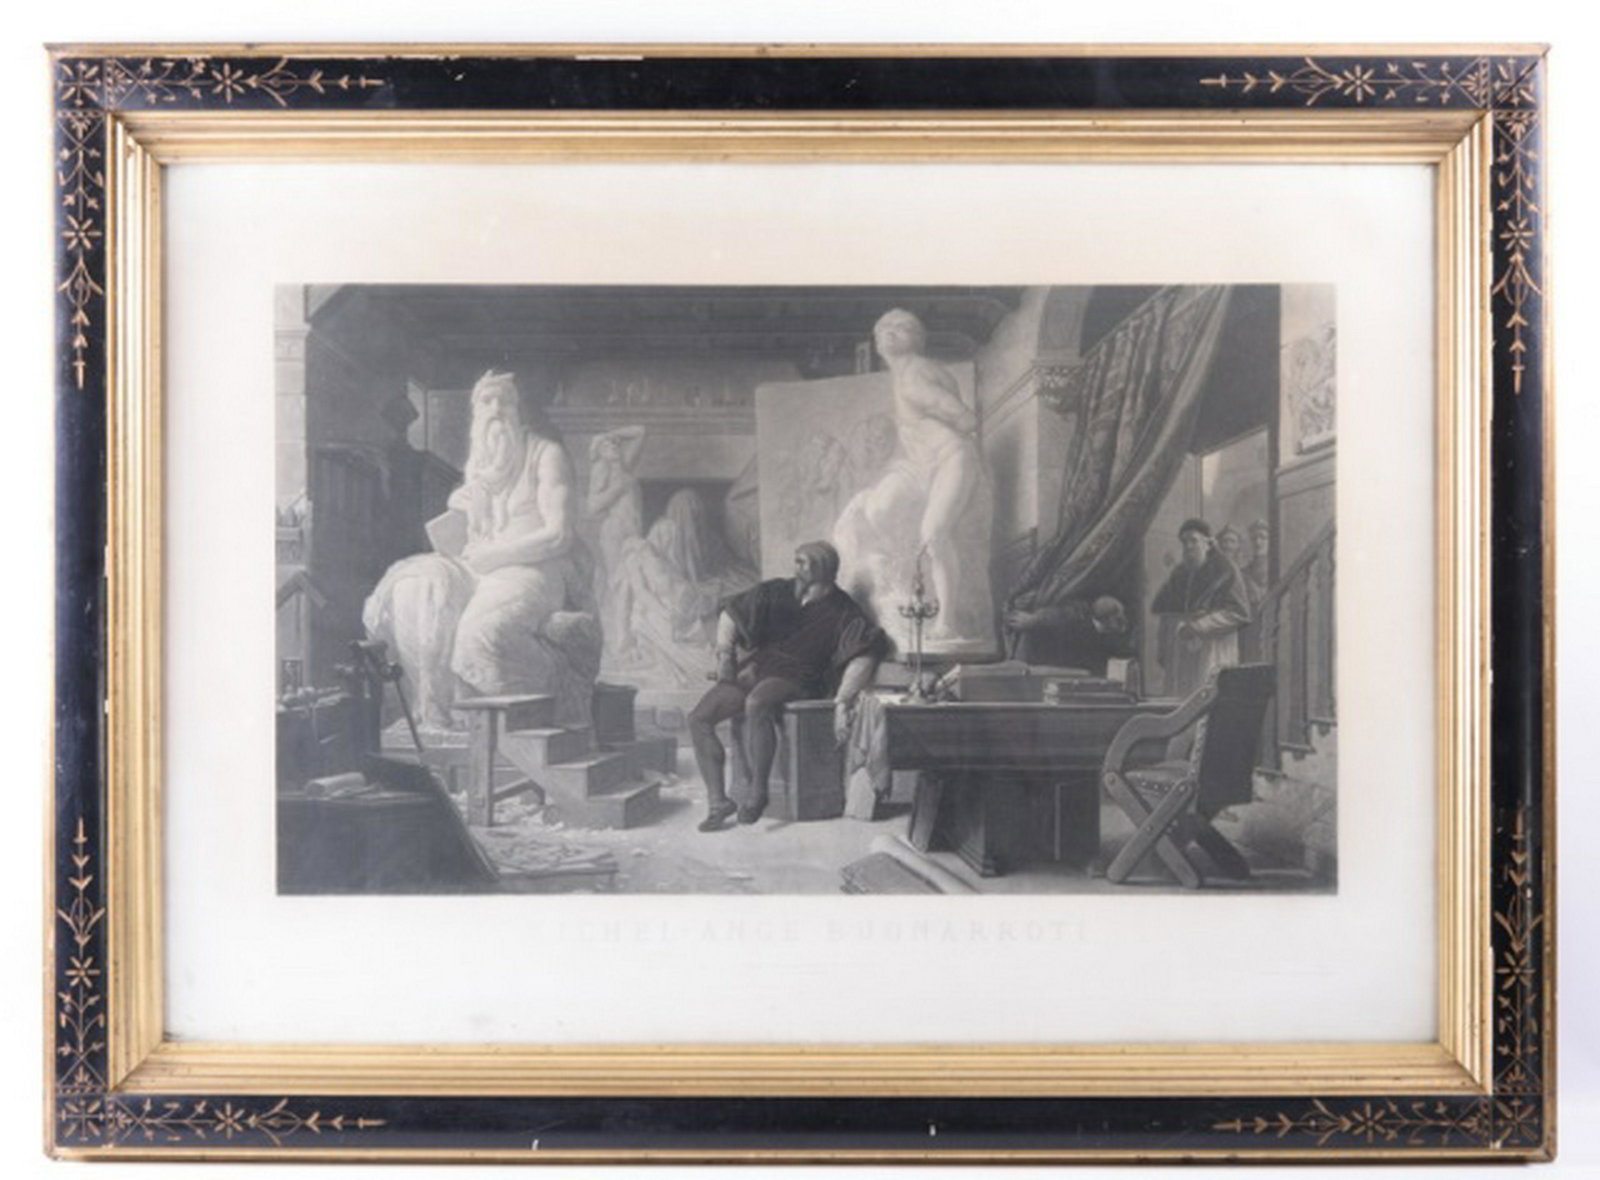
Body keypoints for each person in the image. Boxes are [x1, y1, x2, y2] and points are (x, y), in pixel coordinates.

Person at [362, 370, 600, 730]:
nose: (496, 409)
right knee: (414, 589)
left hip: (533, 567)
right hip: (475, 566)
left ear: (517, 410)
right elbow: (468, 532)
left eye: (504, 401)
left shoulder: (546, 454)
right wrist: (458, 502)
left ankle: (522, 711)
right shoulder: (480, 464)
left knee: (479, 637)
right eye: (486, 402)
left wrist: (497, 556)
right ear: (477, 413)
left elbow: (558, 536)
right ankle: (436, 715)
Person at [687, 540, 886, 831]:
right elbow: (731, 613)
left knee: (757, 702)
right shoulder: (777, 591)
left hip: (802, 676)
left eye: (802, 562)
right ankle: (718, 802)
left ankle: (758, 793)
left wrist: (844, 699)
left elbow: (865, 654)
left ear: (822, 567)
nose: (796, 567)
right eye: (797, 561)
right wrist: (725, 656)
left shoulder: (844, 611)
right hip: (757, 667)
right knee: (699, 718)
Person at [832, 309, 993, 648]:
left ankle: (946, 623)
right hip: (918, 464)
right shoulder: (904, 374)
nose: (891, 333)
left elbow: (963, 417)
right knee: (878, 507)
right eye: (885, 328)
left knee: (934, 532)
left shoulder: (915, 374)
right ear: (877, 341)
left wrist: (948, 420)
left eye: (901, 328)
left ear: (917, 338)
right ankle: (900, 574)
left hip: (950, 457)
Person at [1149, 518, 1251, 698]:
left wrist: (1199, 626)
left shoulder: (1225, 570)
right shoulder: (1179, 573)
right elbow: (1167, 614)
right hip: (1179, 653)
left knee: (1206, 699)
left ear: (1208, 543)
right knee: (1179, 700)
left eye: (1193, 540)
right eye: (1184, 542)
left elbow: (1239, 613)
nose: (1188, 546)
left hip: (1214, 648)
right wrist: (1163, 647)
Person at [1003, 595, 1130, 676]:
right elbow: (1053, 616)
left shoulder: (1105, 638)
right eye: (1118, 620)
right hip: (1044, 668)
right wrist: (1033, 620)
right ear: (1107, 620)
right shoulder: (1074, 618)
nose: (1124, 622)